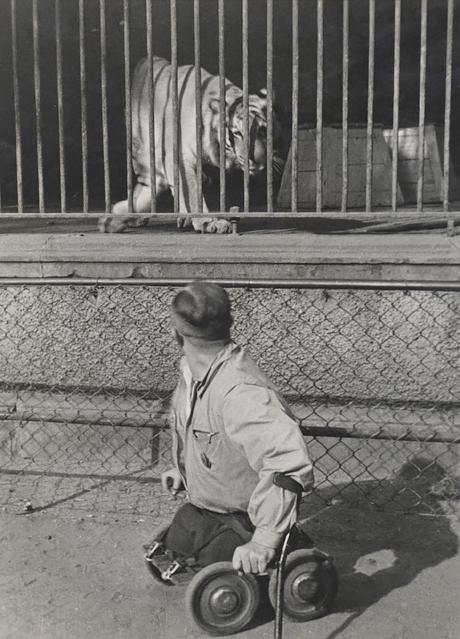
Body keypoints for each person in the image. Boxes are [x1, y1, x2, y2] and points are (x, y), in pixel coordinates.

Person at [156, 280, 314, 578]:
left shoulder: (240, 393)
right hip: (212, 502)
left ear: (175, 333)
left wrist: (264, 541)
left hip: (244, 515)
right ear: (230, 324)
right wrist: (182, 468)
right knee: (179, 537)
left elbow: (289, 462)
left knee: (214, 561)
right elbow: (198, 430)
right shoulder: (193, 370)